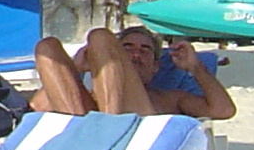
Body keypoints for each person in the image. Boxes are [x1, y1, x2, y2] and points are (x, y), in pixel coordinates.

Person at [30, 25, 235, 121]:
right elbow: (38, 106)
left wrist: (195, 66)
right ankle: (98, 134)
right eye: (127, 48)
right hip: (84, 141)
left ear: (156, 67)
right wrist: (77, 69)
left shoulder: (170, 99)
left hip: (134, 141)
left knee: (99, 35)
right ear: (111, 55)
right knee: (47, 47)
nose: (136, 54)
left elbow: (223, 110)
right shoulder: (87, 97)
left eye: (145, 50)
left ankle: (110, 127)